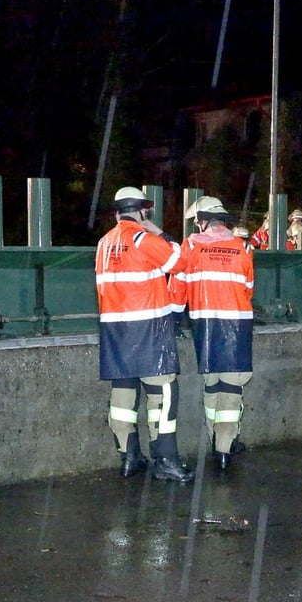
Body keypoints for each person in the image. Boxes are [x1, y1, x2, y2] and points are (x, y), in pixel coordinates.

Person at [95, 186, 195, 482]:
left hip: (115, 330)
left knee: (123, 396)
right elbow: (181, 263)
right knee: (163, 394)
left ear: (116, 212)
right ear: (142, 211)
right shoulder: (142, 238)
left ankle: (129, 458)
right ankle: (166, 460)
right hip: (149, 327)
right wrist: (160, 233)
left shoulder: (104, 243)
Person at [174, 196, 255, 471]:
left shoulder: (191, 246)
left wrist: (175, 317)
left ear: (202, 221)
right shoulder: (243, 246)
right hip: (238, 322)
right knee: (232, 386)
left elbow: (179, 286)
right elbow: (248, 286)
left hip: (204, 322)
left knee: (212, 383)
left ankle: (215, 440)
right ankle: (225, 447)